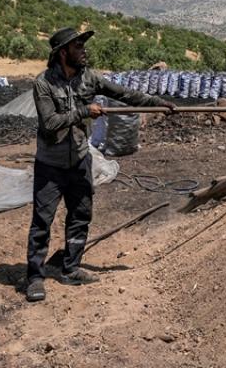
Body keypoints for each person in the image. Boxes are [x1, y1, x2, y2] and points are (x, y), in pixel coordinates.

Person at [25, 27, 175, 302]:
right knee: (42, 221)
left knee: (81, 215)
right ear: (63, 53)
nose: (84, 51)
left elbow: (124, 94)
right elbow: (49, 123)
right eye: (78, 46)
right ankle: (34, 277)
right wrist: (84, 111)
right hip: (50, 165)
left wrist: (157, 103)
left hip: (80, 159)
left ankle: (71, 268)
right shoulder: (44, 83)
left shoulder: (89, 78)